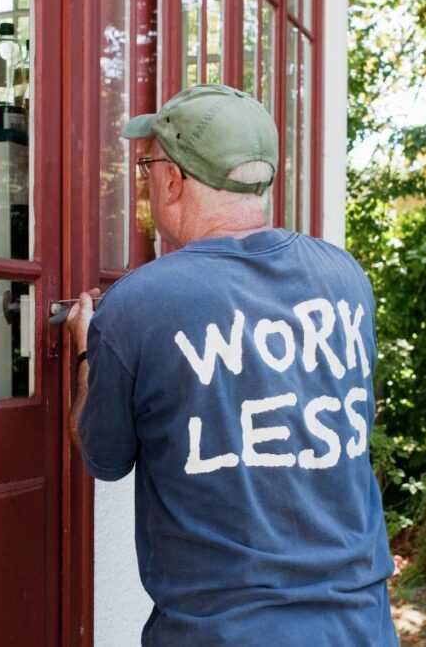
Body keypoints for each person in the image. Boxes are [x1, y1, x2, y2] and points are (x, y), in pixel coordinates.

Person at [66, 83, 399, 645]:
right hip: (361, 625)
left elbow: (102, 455)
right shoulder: (345, 278)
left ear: (172, 180)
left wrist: (83, 353)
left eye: (148, 165)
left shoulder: (142, 303)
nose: (147, 180)